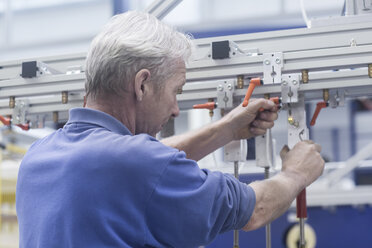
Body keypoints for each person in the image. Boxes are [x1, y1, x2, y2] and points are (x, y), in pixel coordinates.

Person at [16, 11, 324, 248]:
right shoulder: (137, 164)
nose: (176, 109)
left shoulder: (37, 158)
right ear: (142, 84)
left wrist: (225, 130)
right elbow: (253, 209)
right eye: (176, 91)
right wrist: (296, 173)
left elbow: (140, 168)